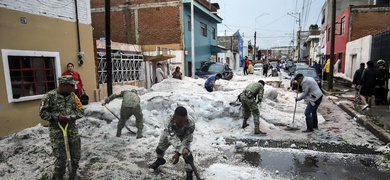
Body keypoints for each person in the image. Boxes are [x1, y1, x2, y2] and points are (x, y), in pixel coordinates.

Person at [39, 75, 84, 180]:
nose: (74, 88)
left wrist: (71, 117)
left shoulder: (73, 96)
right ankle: (58, 177)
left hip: (72, 129)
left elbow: (81, 110)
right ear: (64, 86)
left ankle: (73, 174)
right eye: (71, 85)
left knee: (76, 155)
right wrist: (57, 117)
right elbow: (43, 113)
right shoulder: (49, 96)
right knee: (61, 158)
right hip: (57, 131)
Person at [148, 106, 196, 180]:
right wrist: (180, 149)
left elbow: (187, 139)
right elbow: (172, 137)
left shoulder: (191, 123)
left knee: (187, 155)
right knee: (159, 149)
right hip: (169, 134)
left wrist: (179, 152)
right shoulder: (168, 121)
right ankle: (159, 160)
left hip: (183, 136)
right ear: (174, 117)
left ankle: (189, 174)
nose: (183, 123)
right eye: (180, 122)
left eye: (184, 121)